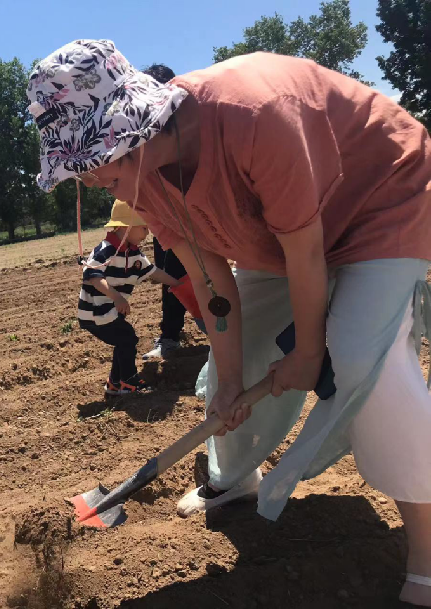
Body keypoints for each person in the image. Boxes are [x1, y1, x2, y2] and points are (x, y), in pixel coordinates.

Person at [27, 40, 431, 605]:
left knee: (362, 358)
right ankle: (235, 479)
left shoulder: (255, 116)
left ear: (127, 129)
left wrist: (308, 353)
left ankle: (426, 548)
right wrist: (235, 379)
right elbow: (212, 283)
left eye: (87, 161)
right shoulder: (145, 180)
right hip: (284, 236)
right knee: (227, 372)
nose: (86, 180)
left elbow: (307, 253)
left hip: (380, 200)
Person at [79, 199, 181, 395]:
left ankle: (115, 383)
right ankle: (128, 380)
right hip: (95, 312)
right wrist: (117, 297)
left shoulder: (134, 254)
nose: (147, 233)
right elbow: (93, 277)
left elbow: (154, 272)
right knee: (127, 338)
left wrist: (178, 283)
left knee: (123, 340)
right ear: (127, 227)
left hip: (109, 313)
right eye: (144, 228)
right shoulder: (105, 250)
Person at [140, 64, 190, 361]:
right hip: (162, 216)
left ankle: (174, 335)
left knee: (182, 274)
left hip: (189, 215)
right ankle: (171, 335)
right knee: (170, 277)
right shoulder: (143, 129)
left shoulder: (182, 126)